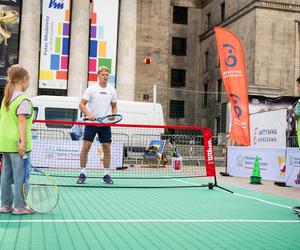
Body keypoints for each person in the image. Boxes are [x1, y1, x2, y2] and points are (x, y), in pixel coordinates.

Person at [0, 64, 34, 215]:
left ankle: (5, 205)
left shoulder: (6, 99)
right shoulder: (23, 99)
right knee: (22, 176)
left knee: (6, 176)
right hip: (18, 145)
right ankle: (19, 207)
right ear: (24, 80)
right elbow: (21, 121)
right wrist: (24, 143)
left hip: (5, 144)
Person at [77, 66, 117, 184]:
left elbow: (114, 106)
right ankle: (82, 173)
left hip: (105, 124)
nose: (105, 76)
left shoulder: (112, 90)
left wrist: (113, 115)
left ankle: (106, 174)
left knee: (107, 148)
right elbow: (81, 104)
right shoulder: (91, 89)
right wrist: (89, 114)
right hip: (91, 123)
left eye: (107, 75)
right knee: (86, 147)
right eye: (103, 74)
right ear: (98, 75)